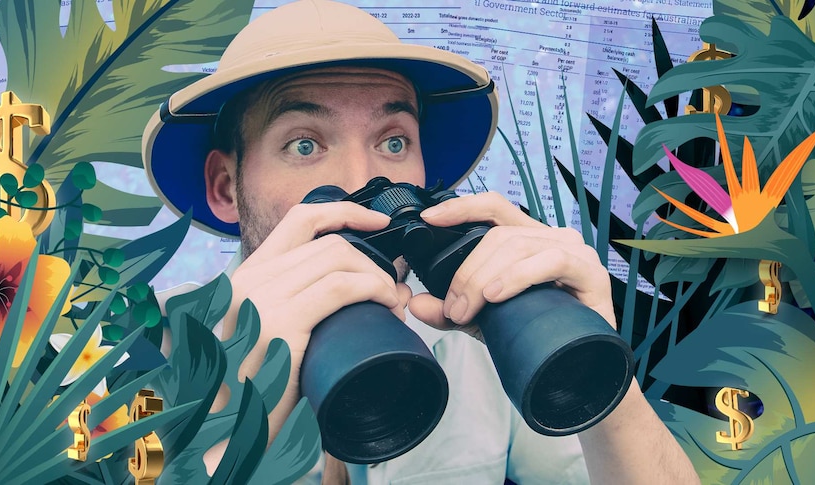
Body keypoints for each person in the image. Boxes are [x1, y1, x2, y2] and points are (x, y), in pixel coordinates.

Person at [143, 0, 700, 483]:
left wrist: (600, 380)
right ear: (225, 187)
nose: (363, 181)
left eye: (392, 141)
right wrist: (224, 424)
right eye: (305, 146)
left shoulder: (474, 339)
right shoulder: (143, 348)